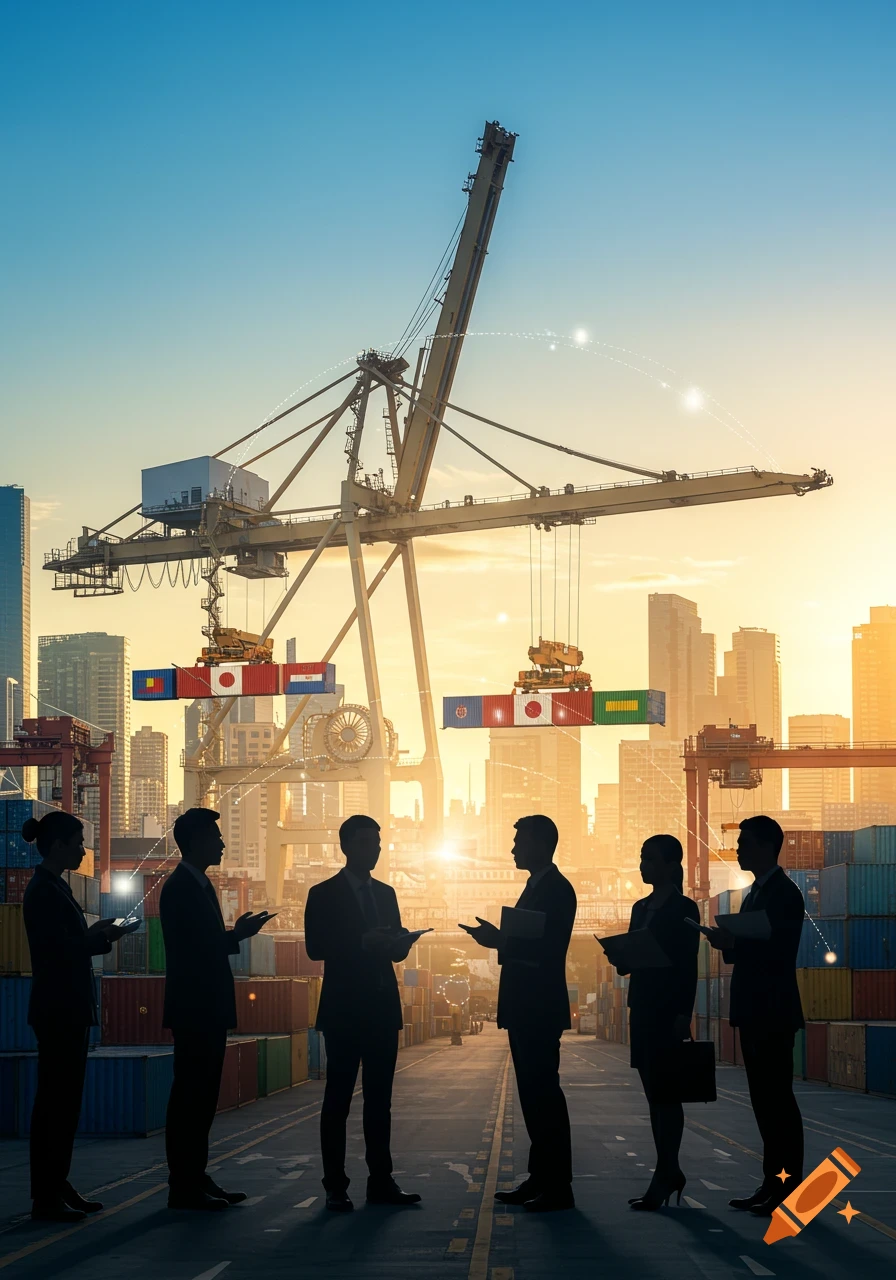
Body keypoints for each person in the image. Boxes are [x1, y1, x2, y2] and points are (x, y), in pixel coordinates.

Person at [304, 814, 421, 1211]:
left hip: (382, 1007)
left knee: (380, 1101)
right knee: (337, 1099)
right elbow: (315, 948)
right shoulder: (322, 894)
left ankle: (381, 1181)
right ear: (347, 846)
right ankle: (335, 1186)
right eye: (369, 842)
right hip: (344, 1009)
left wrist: (401, 945)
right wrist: (361, 942)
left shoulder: (387, 893)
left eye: (378, 841)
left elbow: (395, 944)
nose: (376, 848)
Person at [462, 815, 577, 1212]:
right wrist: (500, 939)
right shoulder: (536, 887)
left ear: (540, 844)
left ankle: (558, 1186)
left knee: (543, 1093)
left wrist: (499, 941)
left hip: (538, 1005)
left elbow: (548, 949)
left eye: (518, 841)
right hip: (527, 1004)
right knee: (532, 1095)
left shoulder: (557, 890)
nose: (512, 849)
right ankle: (541, 1177)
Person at [160, 807, 273, 1210]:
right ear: (195, 842)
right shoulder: (180, 888)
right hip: (195, 1007)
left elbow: (201, 943)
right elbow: (193, 950)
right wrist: (237, 935)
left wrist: (234, 935)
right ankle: (184, 1185)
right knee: (191, 1096)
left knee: (202, 1098)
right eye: (215, 835)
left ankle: (195, 1176)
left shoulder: (199, 885)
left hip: (204, 1005)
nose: (223, 842)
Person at [22, 809, 130, 1222]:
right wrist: (101, 938)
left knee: (63, 1104)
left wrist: (95, 933)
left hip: (64, 1007)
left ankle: (57, 1184)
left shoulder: (53, 887)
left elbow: (66, 943)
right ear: (59, 845)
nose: (84, 850)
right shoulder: (44, 892)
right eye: (79, 841)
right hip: (59, 1008)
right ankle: (45, 1196)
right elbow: (59, 952)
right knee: (55, 1104)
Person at [705, 814, 805, 1217]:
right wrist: (726, 944)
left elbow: (777, 953)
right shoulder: (755, 893)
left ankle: (788, 1189)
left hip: (773, 1010)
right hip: (755, 1009)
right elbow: (749, 949)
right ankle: (771, 1184)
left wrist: (734, 943)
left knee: (778, 1101)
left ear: (765, 846)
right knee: (765, 1103)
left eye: (744, 843)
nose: (739, 849)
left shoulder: (784, 894)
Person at [618, 834, 699, 1210]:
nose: (642, 865)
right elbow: (636, 956)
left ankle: (666, 1172)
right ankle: (668, 1169)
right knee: (653, 1093)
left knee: (666, 1094)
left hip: (668, 1010)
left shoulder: (686, 907)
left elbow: (687, 965)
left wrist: (685, 1013)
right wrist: (621, 958)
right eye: (641, 858)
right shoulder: (639, 907)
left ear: (670, 865)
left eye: (649, 859)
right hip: (643, 1006)